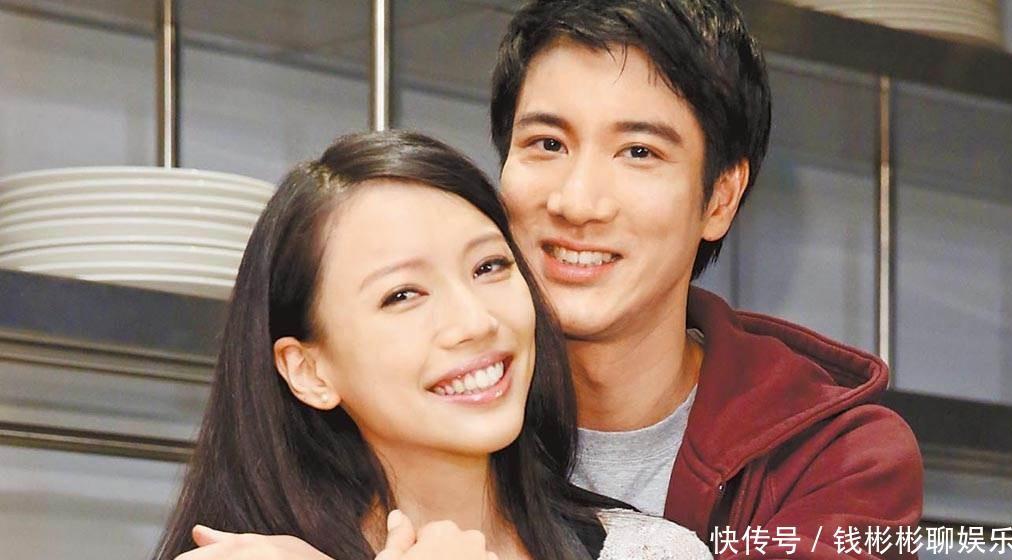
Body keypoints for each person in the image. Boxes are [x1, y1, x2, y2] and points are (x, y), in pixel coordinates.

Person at [489, 0, 924, 558]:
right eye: (548, 144)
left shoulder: (837, 458)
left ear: (720, 198)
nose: (577, 203)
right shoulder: (416, 404)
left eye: (639, 152)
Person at [153, 130, 713, 560]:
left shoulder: (648, 552)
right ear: (307, 370)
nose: (475, 321)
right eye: (402, 295)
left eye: (489, 266)